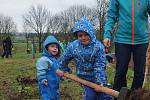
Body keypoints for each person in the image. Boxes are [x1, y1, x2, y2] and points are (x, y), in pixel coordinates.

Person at [57, 17, 112, 100]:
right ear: (76, 36)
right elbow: (64, 58)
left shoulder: (98, 47)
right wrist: (62, 69)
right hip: (84, 78)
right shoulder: (73, 46)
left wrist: (99, 81)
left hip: (97, 76)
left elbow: (99, 65)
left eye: (86, 34)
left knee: (104, 96)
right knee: (90, 96)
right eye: (80, 35)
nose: (83, 37)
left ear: (91, 33)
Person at [103, 0, 150, 92]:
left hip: (141, 40)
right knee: (120, 71)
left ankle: (135, 96)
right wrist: (107, 35)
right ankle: (119, 96)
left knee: (139, 73)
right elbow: (111, 16)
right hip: (122, 39)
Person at [36, 35, 61, 100]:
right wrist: (42, 79)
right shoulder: (44, 59)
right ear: (46, 48)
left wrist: (61, 76)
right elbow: (41, 70)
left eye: (56, 47)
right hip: (46, 84)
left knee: (56, 95)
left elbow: (58, 70)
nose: (55, 48)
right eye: (52, 46)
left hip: (55, 84)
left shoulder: (55, 59)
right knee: (47, 96)